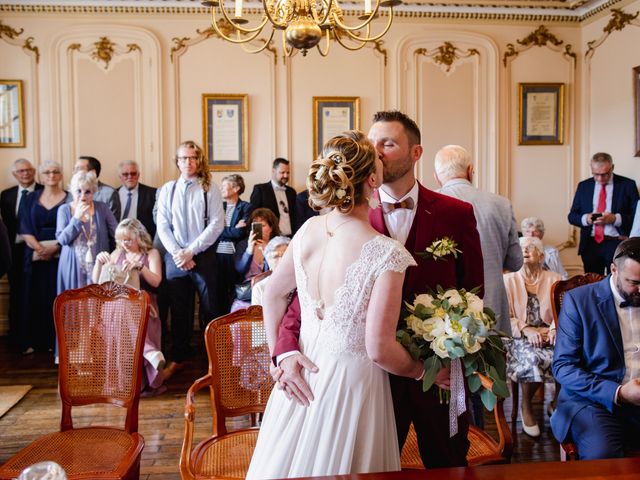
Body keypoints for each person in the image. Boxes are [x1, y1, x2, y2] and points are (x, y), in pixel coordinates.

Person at [272, 111, 484, 468]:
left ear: (416, 153)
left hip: (438, 373)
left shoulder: (455, 213)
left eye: (388, 142)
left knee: (447, 461)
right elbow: (303, 300)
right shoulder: (337, 224)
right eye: (373, 143)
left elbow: (473, 291)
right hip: (367, 380)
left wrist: (460, 348)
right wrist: (285, 350)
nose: (378, 151)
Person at [246, 130, 422, 479]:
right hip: (352, 386)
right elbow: (379, 349)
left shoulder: (308, 229)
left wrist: (282, 357)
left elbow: (271, 293)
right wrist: (422, 371)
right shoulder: (387, 253)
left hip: (300, 373)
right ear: (372, 180)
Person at [551, 237, 640, 459]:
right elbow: (563, 367)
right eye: (634, 282)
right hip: (594, 402)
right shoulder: (579, 301)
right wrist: (618, 393)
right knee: (604, 457)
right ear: (614, 270)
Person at [434, 144, 522, 334]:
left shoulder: (430, 206)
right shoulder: (501, 204)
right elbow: (515, 262)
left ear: (436, 177)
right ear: (470, 171)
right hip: (492, 309)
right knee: (492, 363)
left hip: (445, 317)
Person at [156, 140, 224, 377]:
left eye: (193, 158)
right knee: (179, 310)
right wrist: (178, 253)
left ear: (199, 160)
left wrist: (191, 252)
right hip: (175, 257)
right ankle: (179, 357)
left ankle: (212, 360)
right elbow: (162, 224)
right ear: (177, 161)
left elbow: (217, 224)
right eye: (184, 158)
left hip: (203, 256)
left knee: (209, 308)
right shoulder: (167, 189)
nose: (188, 162)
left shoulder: (210, 188)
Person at [92, 218, 165, 395]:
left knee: (125, 309)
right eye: (121, 239)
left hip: (144, 303)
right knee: (119, 307)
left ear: (139, 237)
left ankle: (144, 361)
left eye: (129, 239)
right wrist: (98, 263)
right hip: (119, 306)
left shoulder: (151, 253)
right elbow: (98, 282)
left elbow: (156, 282)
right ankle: (149, 352)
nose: (125, 243)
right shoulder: (117, 254)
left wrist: (141, 267)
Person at [503, 236, 561, 437]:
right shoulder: (507, 280)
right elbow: (503, 317)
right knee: (533, 359)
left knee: (566, 357)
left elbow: (564, 312)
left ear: (542, 255)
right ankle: (526, 407)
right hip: (519, 336)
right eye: (521, 249)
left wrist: (554, 329)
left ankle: (557, 403)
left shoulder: (555, 279)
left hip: (550, 335)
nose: (525, 251)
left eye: (530, 248)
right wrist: (527, 329)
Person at [18, 161, 67, 355]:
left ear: (61, 175)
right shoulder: (30, 198)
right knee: (34, 297)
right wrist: (40, 248)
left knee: (55, 297)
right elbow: (24, 227)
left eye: (55, 172)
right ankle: (36, 340)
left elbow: (72, 228)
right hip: (34, 255)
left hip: (60, 255)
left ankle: (54, 342)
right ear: (40, 176)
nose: (51, 175)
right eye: (47, 172)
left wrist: (55, 248)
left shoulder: (69, 198)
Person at [568, 152, 638, 275]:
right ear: (591, 168)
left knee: (617, 280)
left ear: (612, 167)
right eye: (596, 174)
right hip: (590, 243)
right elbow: (572, 216)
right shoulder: (584, 186)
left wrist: (615, 218)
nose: (600, 178)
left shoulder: (627, 185)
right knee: (591, 282)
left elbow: (637, 217)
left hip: (617, 242)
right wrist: (587, 219)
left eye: (605, 174)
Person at [1, 158, 42, 347]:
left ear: (34, 171)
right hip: (13, 251)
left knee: (35, 293)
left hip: (38, 250)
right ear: (14, 174)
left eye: (28, 170)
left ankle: (37, 336)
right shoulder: (6, 195)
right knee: (16, 293)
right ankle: (17, 336)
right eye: (21, 171)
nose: (25, 174)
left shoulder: (43, 191)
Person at [56, 170, 117, 294]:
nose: (83, 196)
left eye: (87, 191)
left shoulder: (102, 208)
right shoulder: (64, 210)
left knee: (97, 305)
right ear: (72, 191)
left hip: (98, 265)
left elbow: (117, 233)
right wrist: (76, 218)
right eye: (79, 191)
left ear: (94, 192)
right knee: (74, 305)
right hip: (73, 266)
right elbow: (62, 240)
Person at [215, 174, 253, 314]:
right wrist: (231, 230)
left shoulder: (246, 207)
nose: (221, 188)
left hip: (234, 257)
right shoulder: (218, 207)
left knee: (233, 293)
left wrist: (221, 231)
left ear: (236, 188)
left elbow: (240, 234)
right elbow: (213, 231)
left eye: (224, 186)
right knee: (218, 295)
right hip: (216, 257)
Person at [230, 208, 280, 312]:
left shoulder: (278, 245)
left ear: (271, 228)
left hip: (270, 289)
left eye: (262, 225)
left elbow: (279, 270)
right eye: (255, 226)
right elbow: (240, 269)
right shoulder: (243, 245)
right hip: (246, 293)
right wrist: (249, 250)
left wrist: (267, 249)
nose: (258, 229)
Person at [250, 158, 296, 237]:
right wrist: (258, 238)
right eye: (282, 172)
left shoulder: (292, 192)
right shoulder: (260, 189)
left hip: (291, 237)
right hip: (270, 237)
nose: (286, 175)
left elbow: (296, 216)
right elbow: (255, 215)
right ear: (273, 171)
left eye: (288, 172)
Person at [117, 160, 157, 239]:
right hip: (119, 239)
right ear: (120, 176)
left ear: (138, 175)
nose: (129, 177)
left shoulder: (152, 194)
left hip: (143, 240)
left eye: (133, 173)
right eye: (125, 174)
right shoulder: (113, 194)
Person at [74, 156, 121, 220]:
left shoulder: (109, 193)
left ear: (93, 172)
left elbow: (113, 225)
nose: (74, 173)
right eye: (74, 169)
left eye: (78, 169)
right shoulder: (72, 192)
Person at [251, 236, 291, 306]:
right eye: (276, 257)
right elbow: (257, 317)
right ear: (269, 263)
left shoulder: (301, 282)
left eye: (285, 256)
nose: (281, 261)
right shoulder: (260, 288)